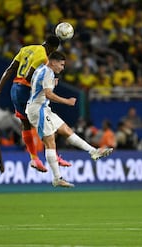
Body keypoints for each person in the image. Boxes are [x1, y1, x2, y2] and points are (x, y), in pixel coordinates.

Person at [26, 51, 113, 187]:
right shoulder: (48, 72)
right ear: (53, 62)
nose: (62, 68)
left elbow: (38, 88)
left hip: (42, 108)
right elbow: (48, 94)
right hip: (38, 110)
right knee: (50, 142)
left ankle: (93, 151)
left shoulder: (41, 69)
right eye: (61, 65)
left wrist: (51, 84)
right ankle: (57, 178)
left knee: (66, 130)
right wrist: (67, 101)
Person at [0, 35, 71, 172]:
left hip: (14, 89)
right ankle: (53, 156)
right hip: (25, 90)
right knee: (46, 121)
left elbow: (11, 69)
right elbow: (29, 77)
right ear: (53, 48)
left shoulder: (26, 49)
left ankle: (34, 159)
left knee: (26, 124)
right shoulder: (43, 57)